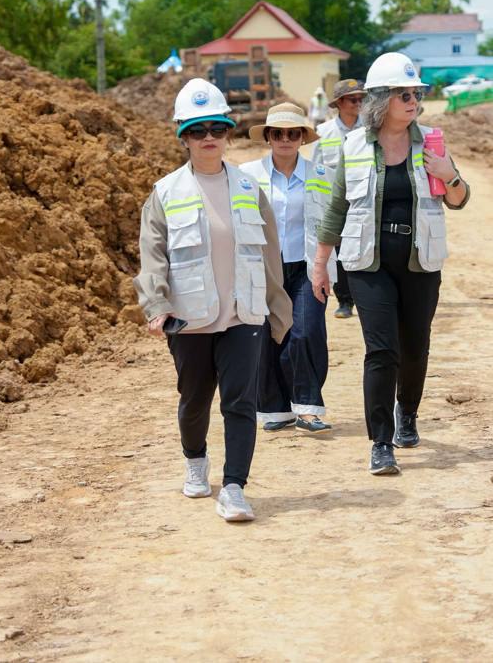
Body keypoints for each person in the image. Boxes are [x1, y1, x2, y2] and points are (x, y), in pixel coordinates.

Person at [133, 79, 292, 523]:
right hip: (189, 317)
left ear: (227, 133)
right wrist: (156, 305)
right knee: (194, 399)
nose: (209, 137)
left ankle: (235, 487)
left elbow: (269, 255)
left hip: (244, 315)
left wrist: (279, 311)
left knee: (240, 402)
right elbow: (152, 256)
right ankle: (195, 460)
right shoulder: (165, 193)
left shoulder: (248, 188)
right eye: (198, 130)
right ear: (184, 136)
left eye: (217, 129)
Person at [313, 52, 470, 476]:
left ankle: (408, 413)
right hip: (369, 263)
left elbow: (459, 200)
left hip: (420, 261)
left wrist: (449, 174)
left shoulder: (432, 141)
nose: (413, 101)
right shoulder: (354, 145)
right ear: (381, 99)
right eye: (404, 94)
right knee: (381, 350)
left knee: (414, 347)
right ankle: (381, 442)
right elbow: (337, 208)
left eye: (416, 93)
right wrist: (321, 263)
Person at [241, 103, 338, 433]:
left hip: (308, 268)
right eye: (278, 133)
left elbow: (333, 223)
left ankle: (308, 408)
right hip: (264, 270)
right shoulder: (246, 176)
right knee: (269, 336)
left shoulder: (322, 176)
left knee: (307, 332)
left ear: (302, 138)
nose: (285, 139)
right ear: (268, 136)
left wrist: (327, 266)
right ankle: (275, 409)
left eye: (293, 133)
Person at [315, 78, 366, 320]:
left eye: (361, 99)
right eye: (352, 99)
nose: (358, 103)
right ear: (339, 103)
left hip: (363, 198)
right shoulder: (323, 133)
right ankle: (345, 300)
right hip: (335, 202)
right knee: (338, 249)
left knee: (364, 246)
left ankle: (366, 297)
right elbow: (316, 169)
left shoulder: (371, 129)